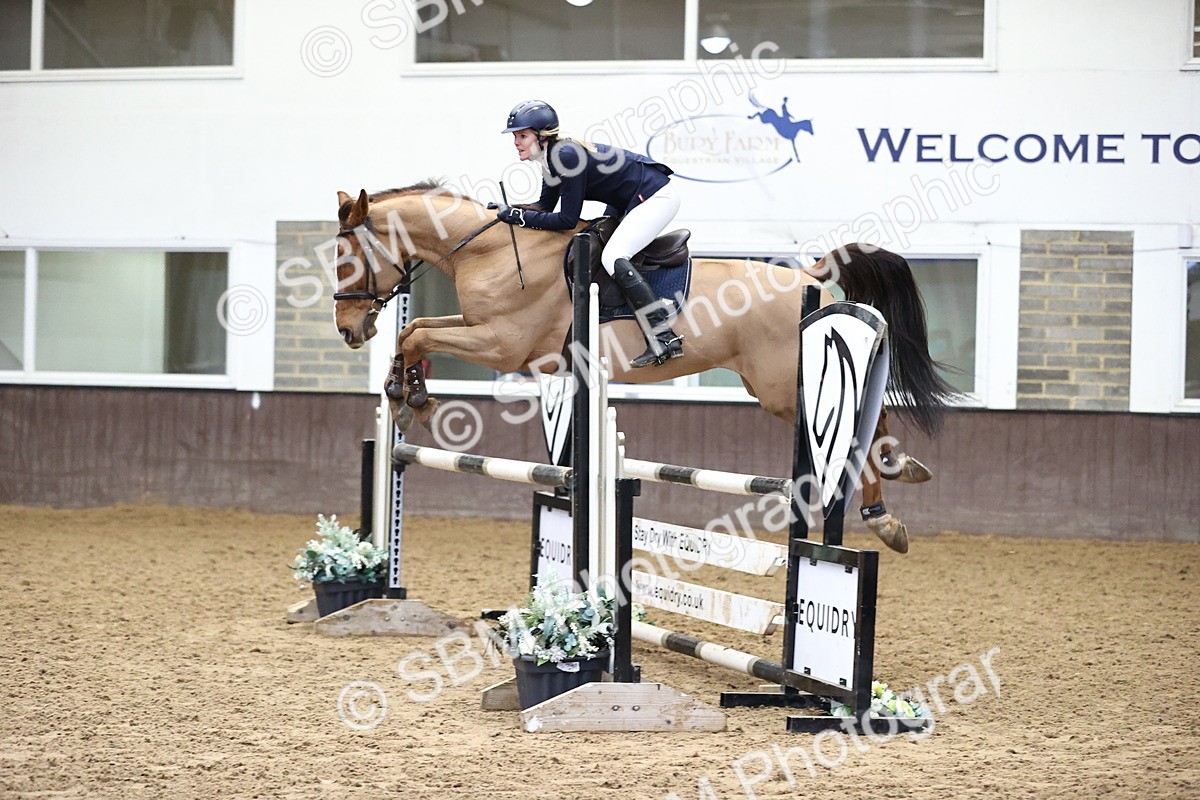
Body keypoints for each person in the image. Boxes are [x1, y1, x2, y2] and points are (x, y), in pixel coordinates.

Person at [497, 99, 684, 368]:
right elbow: (543, 207)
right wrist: (509, 211)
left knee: (613, 257)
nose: (516, 142)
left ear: (541, 136)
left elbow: (566, 219)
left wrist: (519, 217)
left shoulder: (566, 157)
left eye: (522, 136)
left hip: (655, 195)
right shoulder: (549, 159)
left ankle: (664, 337)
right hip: (629, 199)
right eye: (515, 136)